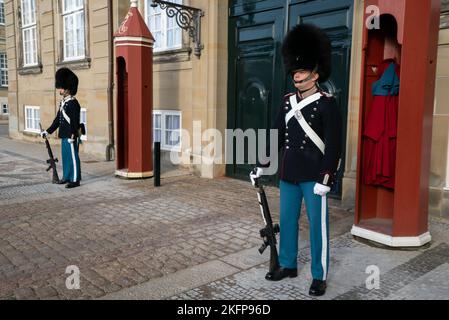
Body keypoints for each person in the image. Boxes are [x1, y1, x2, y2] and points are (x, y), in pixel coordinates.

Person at [250, 24, 342, 297]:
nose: (297, 75)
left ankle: (319, 275)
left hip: (314, 176)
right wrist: (261, 165)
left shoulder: (327, 104)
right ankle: (288, 265)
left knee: (317, 227)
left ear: (316, 74)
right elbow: (276, 134)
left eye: (302, 71)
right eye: (294, 71)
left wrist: (326, 177)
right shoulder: (288, 102)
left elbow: (334, 145)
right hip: (289, 173)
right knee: (288, 222)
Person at [40, 68, 82, 189]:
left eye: (62, 87)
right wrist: (48, 131)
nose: (60, 89)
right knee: (66, 157)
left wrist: (73, 135)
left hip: (70, 136)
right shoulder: (63, 102)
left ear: (68, 88)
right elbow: (57, 119)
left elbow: (75, 121)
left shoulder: (73, 103)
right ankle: (67, 176)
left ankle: (75, 179)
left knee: (73, 157)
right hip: (64, 135)